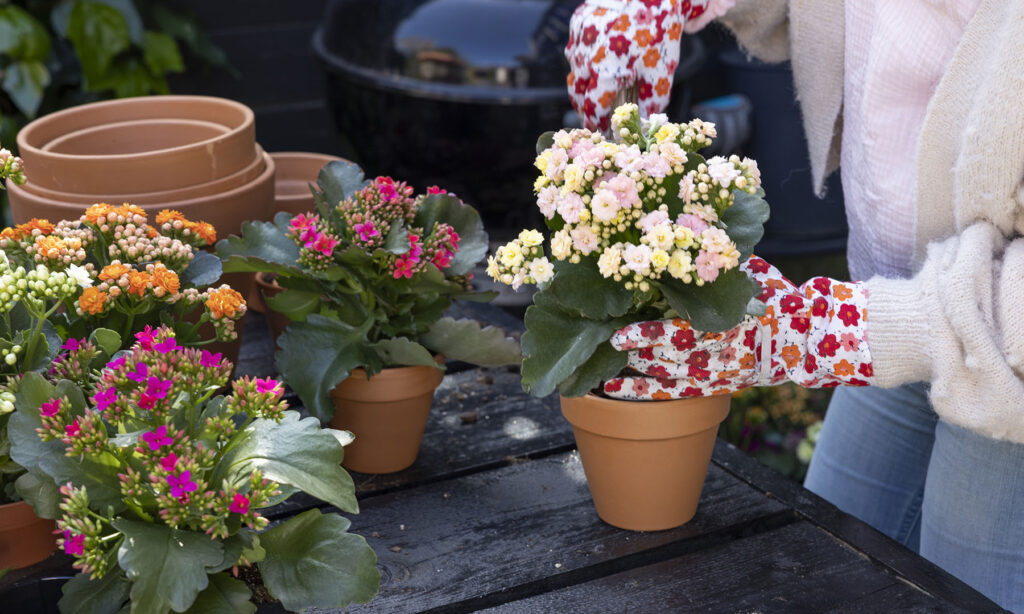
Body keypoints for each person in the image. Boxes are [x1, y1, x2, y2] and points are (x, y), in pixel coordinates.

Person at [566, 1, 1024, 610]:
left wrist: (816, 334)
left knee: (958, 590)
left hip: (999, 353)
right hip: (891, 296)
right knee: (826, 568)